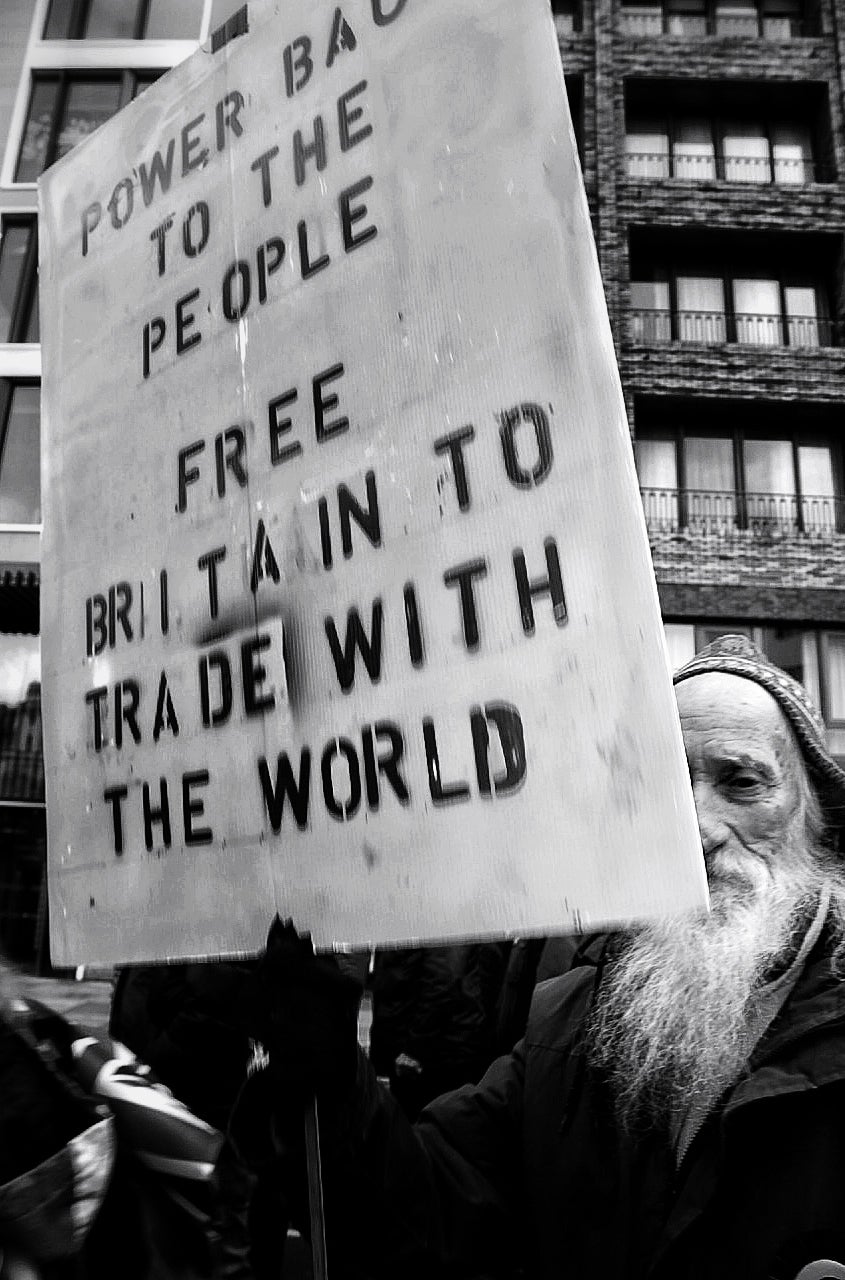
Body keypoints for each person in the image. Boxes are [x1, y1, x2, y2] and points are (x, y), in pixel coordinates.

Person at [238, 634, 845, 1280]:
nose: (693, 825)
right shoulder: (573, 1025)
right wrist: (334, 1083)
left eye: (740, 781)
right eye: (666, 782)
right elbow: (428, 1216)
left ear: (812, 823)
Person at [369, 941, 511, 1119]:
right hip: (432, 1040)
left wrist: (414, 1049)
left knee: (424, 1127)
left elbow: (442, 980)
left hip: (436, 1050)